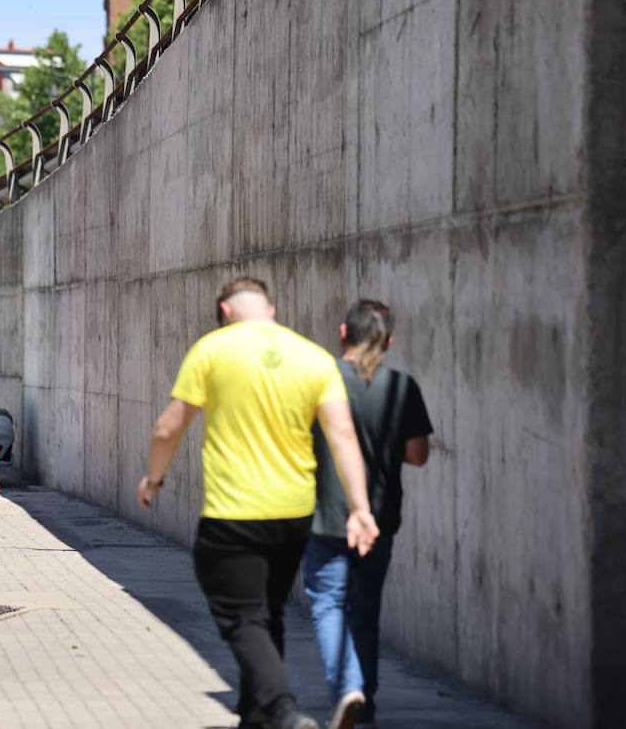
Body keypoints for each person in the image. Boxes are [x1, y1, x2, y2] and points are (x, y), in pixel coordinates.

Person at [139, 277, 380, 729]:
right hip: (294, 514)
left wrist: (154, 480)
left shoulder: (212, 350)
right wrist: (361, 508)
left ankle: (283, 711)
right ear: (270, 311)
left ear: (226, 312)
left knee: (240, 615)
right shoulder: (313, 357)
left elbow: (166, 430)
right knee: (267, 612)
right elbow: (343, 435)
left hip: (235, 514)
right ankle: (256, 718)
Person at [303, 300, 432, 729]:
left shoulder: (320, 383)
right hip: (380, 517)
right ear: (389, 341)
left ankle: (348, 690)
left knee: (328, 605)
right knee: (365, 610)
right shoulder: (402, 386)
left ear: (343, 333)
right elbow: (418, 456)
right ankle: (366, 706)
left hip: (324, 515)